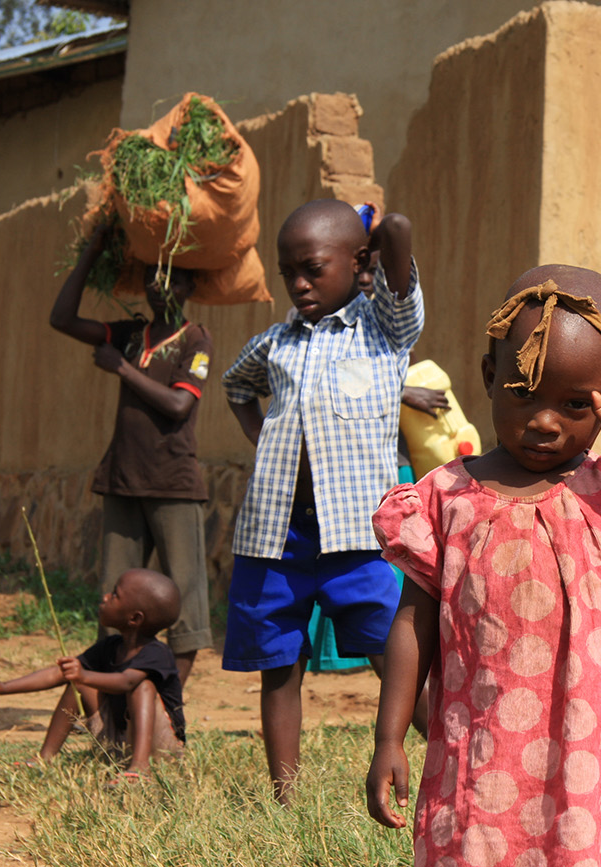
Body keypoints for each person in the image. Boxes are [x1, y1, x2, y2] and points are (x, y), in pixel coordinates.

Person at [366, 265, 601, 865]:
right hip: (487, 751)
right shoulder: (444, 497)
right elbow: (413, 622)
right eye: (524, 393)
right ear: (488, 377)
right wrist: (388, 736)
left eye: (577, 404)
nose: (546, 420)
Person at [222, 199, 423, 804]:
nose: (299, 283)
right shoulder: (276, 342)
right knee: (278, 661)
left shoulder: (385, 329)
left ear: (359, 262)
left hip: (358, 535)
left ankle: (444, 762)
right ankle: (286, 798)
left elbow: (400, 231)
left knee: (392, 652)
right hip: (276, 533)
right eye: (289, 272)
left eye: (312, 268)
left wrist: (377, 230)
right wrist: (261, 436)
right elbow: (235, 384)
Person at [49, 224, 213, 687]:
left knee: (184, 604)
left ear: (190, 287)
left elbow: (180, 405)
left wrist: (121, 368)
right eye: (154, 278)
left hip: (173, 483)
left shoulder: (194, 339)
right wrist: (89, 253)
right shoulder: (129, 333)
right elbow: (61, 319)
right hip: (121, 479)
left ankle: (168, 711)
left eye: (175, 279)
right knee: (114, 603)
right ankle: (109, 712)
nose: (163, 287)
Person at [0, 568, 186, 782]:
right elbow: (59, 674)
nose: (105, 597)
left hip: (162, 748)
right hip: (119, 743)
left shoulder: (157, 653)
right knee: (77, 685)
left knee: (142, 686)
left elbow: (126, 681)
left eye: (114, 595)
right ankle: (45, 759)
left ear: (134, 618)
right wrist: (3, 688)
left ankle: (140, 769)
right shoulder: (111, 646)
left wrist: (83, 675)